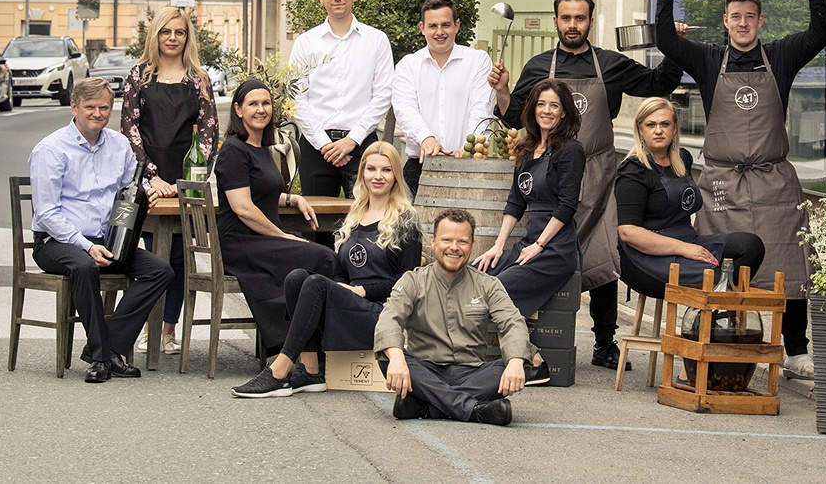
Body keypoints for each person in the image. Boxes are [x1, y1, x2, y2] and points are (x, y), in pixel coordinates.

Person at [655, 0, 826, 379]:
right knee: (720, 264)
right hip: (722, 183)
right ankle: (718, 342)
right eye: (735, 17)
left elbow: (818, 35)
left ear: (760, 21)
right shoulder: (709, 59)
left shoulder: (780, 56)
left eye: (750, 17)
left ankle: (796, 351)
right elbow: (666, 42)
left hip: (774, 180)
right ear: (725, 21)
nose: (742, 23)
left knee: (790, 262)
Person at [489, 0, 682, 371]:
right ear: (555, 21)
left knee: (604, 256)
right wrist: (501, 90)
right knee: (544, 255)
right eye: (566, 18)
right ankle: (540, 336)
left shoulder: (610, 64)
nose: (573, 25)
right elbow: (514, 118)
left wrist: (675, 45)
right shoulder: (539, 66)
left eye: (580, 18)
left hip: (598, 176)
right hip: (552, 176)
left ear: (591, 22)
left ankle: (604, 342)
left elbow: (660, 83)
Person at [230, 141, 422, 397]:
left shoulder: (405, 220)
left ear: (395, 176)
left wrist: (363, 291)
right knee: (297, 277)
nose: (378, 176)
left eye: (386, 170)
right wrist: (345, 287)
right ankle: (310, 371)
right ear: (362, 173)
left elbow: (409, 281)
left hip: (382, 314)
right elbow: (342, 271)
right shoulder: (356, 215)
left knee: (316, 283)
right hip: (352, 307)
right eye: (371, 169)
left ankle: (280, 369)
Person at [29, 77, 173, 383]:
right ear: (74, 107)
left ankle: (108, 349)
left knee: (160, 270)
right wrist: (85, 245)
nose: (98, 113)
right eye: (90, 107)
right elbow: (47, 213)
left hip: (107, 239)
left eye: (104, 107)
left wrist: (149, 190)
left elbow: (129, 187)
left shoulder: (119, 145)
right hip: (56, 242)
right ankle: (101, 355)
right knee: (84, 266)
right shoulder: (51, 150)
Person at [375, 209, 533, 426]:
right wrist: (397, 358)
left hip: (473, 374)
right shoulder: (413, 280)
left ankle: (426, 406)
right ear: (432, 241)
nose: (454, 248)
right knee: (387, 356)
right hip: (425, 370)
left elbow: (512, 323)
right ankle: (473, 409)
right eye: (447, 240)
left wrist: (515, 362)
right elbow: (389, 318)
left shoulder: (488, 284)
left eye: (462, 241)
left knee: (525, 359)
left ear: (472, 244)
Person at [473, 79, 584, 384]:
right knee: (473, 277)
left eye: (554, 105)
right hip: (527, 243)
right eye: (541, 104)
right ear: (532, 109)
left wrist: (539, 244)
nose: (546, 111)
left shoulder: (570, 151)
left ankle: (533, 361)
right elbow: (515, 202)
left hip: (555, 249)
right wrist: (498, 246)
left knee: (499, 290)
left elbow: (566, 206)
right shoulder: (525, 148)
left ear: (563, 113)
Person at [121, 6, 218, 356]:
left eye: (179, 32)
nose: (172, 38)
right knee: (145, 254)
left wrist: (185, 182)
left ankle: (167, 330)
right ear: (156, 35)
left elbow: (209, 134)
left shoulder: (199, 79)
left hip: (183, 182)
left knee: (178, 257)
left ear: (187, 36)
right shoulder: (139, 76)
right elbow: (129, 128)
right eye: (166, 32)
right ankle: (145, 326)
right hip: (147, 179)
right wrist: (152, 176)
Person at [214, 80, 335, 354]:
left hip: (260, 239)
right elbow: (243, 207)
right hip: (242, 243)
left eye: (266, 103)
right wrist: (282, 235)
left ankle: (304, 342)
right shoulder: (234, 150)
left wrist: (293, 198)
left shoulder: (261, 147)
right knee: (322, 257)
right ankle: (304, 345)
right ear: (238, 110)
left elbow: (261, 192)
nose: (261, 110)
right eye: (253, 104)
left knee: (315, 259)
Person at [616, 97, 766, 298]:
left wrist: (689, 246)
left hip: (687, 240)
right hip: (644, 256)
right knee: (716, 278)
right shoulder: (633, 170)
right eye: (651, 125)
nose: (658, 130)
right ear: (640, 129)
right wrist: (685, 249)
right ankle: (716, 322)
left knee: (750, 246)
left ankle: (714, 318)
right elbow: (628, 233)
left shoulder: (682, 159)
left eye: (665, 124)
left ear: (675, 128)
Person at [289, 0, 394, 198]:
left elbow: (383, 94)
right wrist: (324, 144)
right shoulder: (306, 42)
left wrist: (351, 140)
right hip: (316, 147)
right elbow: (296, 98)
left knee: (367, 221)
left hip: (362, 146)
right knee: (315, 227)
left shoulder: (376, 40)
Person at [392, 0, 494, 196]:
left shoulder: (478, 61)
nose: (439, 32)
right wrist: (426, 138)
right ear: (422, 28)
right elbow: (405, 109)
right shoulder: (408, 65)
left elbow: (482, 108)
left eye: (446, 25)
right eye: (433, 26)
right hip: (419, 167)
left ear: (457, 26)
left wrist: (468, 147)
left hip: (466, 164)